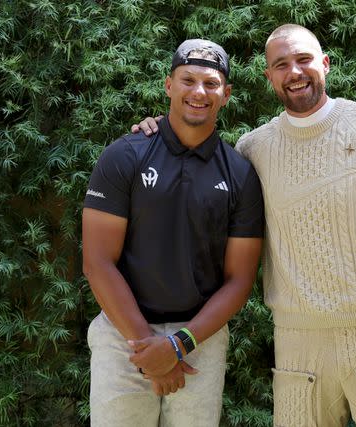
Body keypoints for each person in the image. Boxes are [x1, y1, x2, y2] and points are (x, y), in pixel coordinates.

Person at [134, 24, 356, 427]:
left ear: (325, 64)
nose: (294, 72)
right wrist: (154, 133)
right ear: (269, 77)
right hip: (298, 345)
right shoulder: (253, 151)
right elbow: (189, 169)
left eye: (303, 60)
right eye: (281, 65)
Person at [82, 39, 264, 427]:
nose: (199, 92)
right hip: (123, 336)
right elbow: (97, 262)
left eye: (211, 84)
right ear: (168, 85)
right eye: (188, 80)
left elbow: (240, 279)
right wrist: (150, 350)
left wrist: (177, 345)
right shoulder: (124, 155)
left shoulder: (241, 174)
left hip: (199, 339)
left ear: (226, 94)